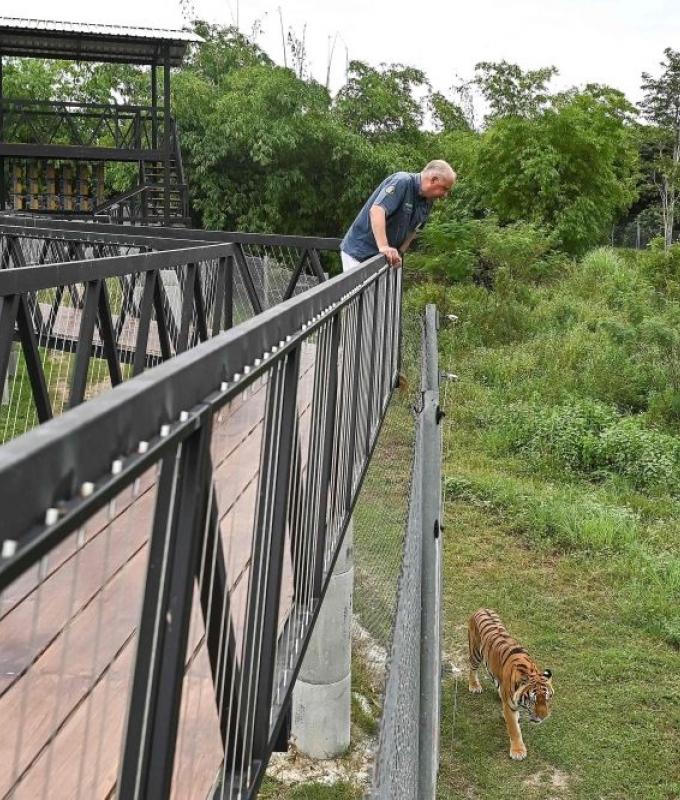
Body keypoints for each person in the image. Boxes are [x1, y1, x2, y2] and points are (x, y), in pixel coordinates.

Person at [340, 160, 457, 271]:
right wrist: (384, 247)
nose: (445, 195)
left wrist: (400, 252)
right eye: (444, 189)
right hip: (360, 252)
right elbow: (377, 211)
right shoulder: (402, 181)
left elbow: (415, 230)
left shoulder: (428, 201)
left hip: (383, 258)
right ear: (433, 180)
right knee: (363, 287)